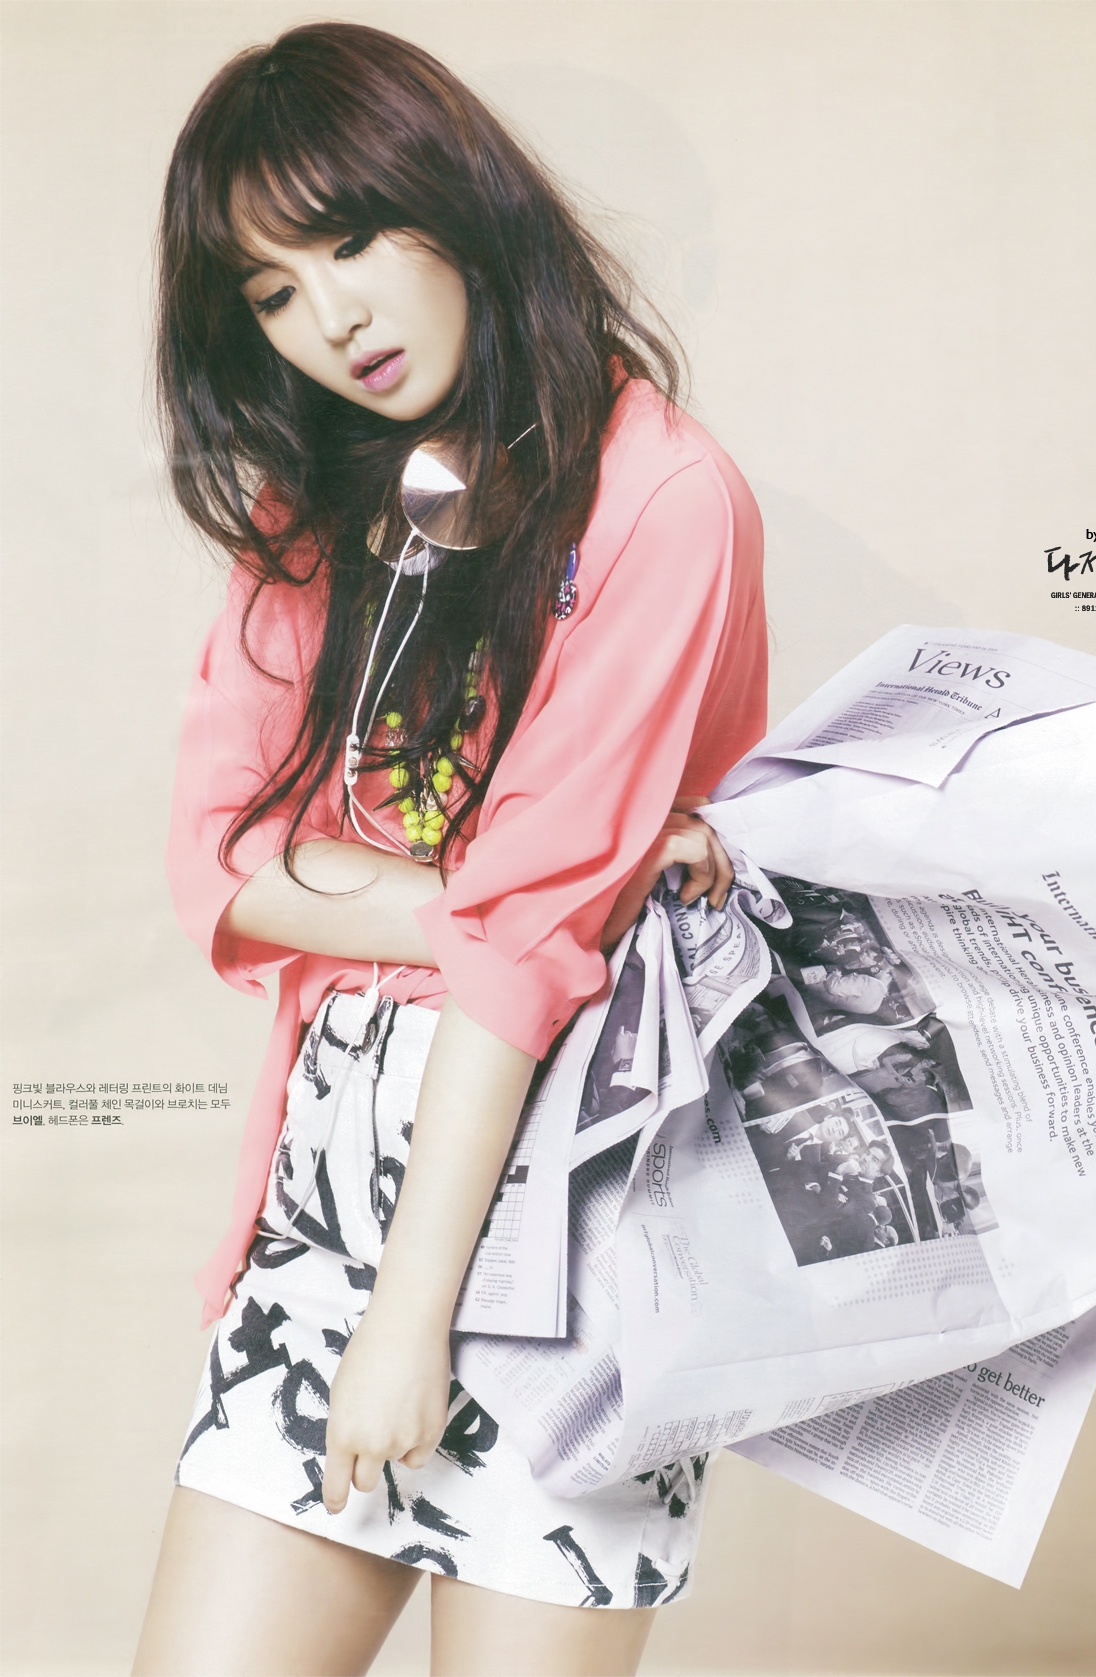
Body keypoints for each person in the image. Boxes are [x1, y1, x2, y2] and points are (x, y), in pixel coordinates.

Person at [132, 22, 766, 1677]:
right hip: (330, 1208)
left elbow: (509, 948)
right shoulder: (312, 513)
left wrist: (414, 1317)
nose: (330, 317)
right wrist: (524, 897)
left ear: (457, 198)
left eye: (350, 239)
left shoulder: (659, 494)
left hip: (579, 1229)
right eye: (273, 291)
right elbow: (223, 862)